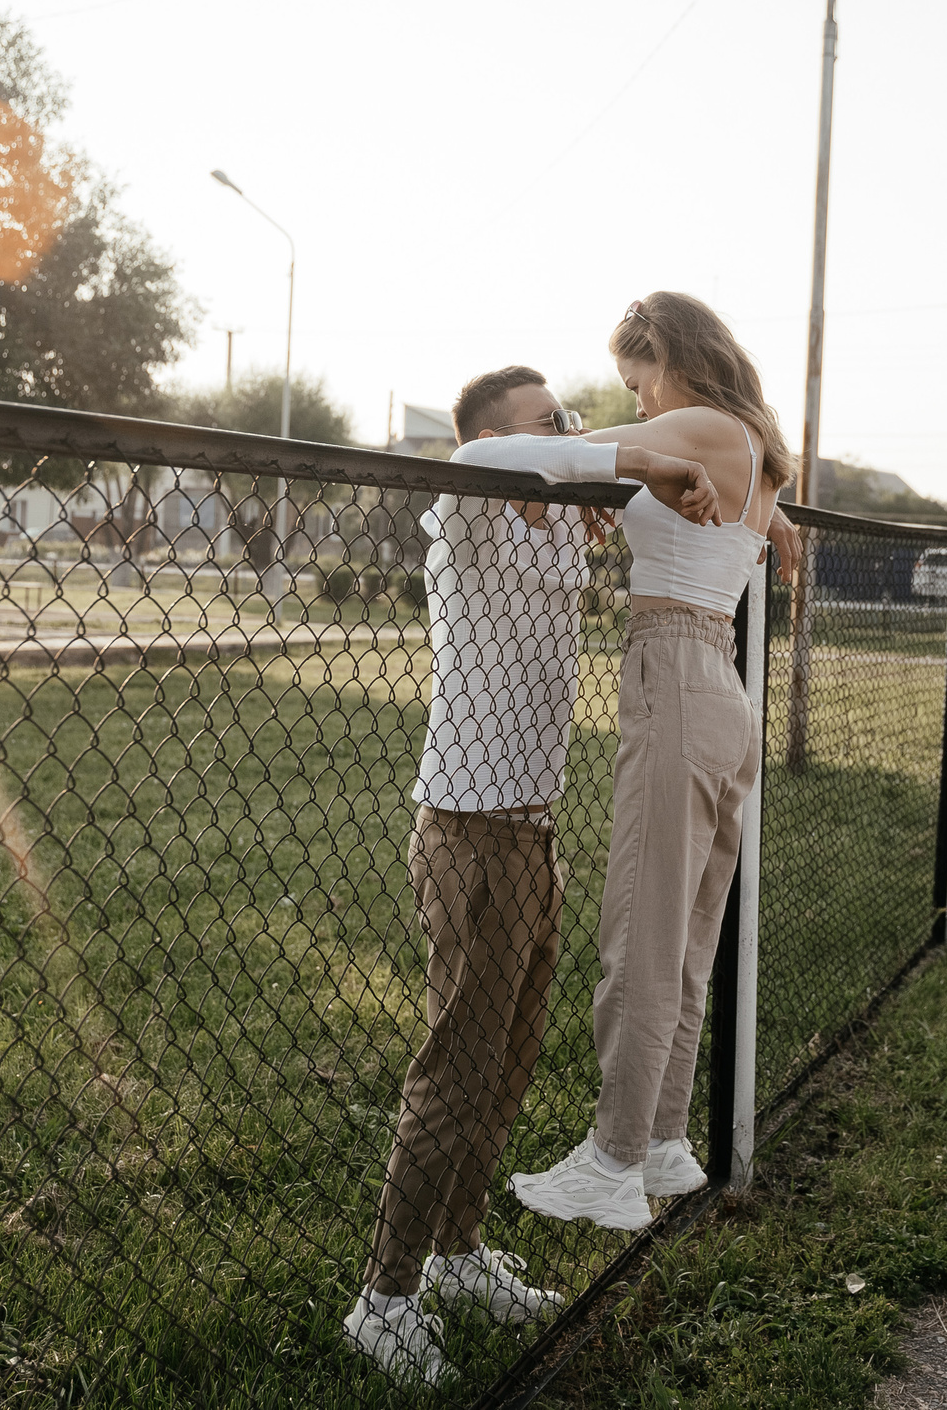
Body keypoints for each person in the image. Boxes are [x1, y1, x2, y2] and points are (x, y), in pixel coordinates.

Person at [344, 364, 719, 1385]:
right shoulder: (465, 517)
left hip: (531, 832)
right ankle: (384, 1295)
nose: (570, 430)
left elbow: (668, 508)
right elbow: (478, 457)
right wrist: (627, 455)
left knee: (506, 1060)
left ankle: (457, 1252)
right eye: (550, 422)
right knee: (457, 1067)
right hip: (467, 832)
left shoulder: (556, 529)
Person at [510, 293, 795, 1232]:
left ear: (668, 357)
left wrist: (608, 451)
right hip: (718, 679)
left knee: (642, 924)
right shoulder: (748, 439)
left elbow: (571, 452)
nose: (637, 404)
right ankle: (664, 1137)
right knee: (689, 932)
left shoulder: (698, 427)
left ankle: (612, 1159)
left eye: (639, 382)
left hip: (674, 672)